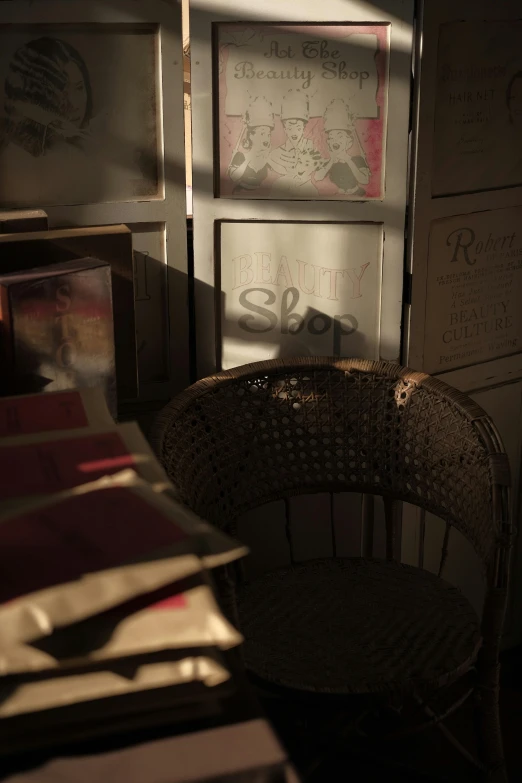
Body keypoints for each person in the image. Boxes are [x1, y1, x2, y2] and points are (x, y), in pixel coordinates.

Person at [0, 36, 92, 158]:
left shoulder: (81, 155)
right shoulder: (15, 156)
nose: (74, 104)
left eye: (79, 88)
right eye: (60, 91)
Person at [315, 99, 370, 196]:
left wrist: (349, 161)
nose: (335, 141)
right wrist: (331, 160)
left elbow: (364, 180)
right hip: (339, 198)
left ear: (349, 142)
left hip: (357, 195)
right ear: (329, 142)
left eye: (340, 136)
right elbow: (318, 177)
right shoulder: (330, 162)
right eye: (332, 137)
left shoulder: (357, 159)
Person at [228, 96, 279, 193]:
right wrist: (248, 160)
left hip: (261, 199)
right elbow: (233, 177)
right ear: (251, 135)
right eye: (262, 133)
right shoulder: (241, 156)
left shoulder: (267, 157)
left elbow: (280, 172)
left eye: (268, 134)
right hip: (241, 196)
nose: (266, 139)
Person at [269, 89, 319, 180]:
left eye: (298, 128)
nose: (294, 132)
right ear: (285, 129)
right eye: (290, 128)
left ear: (304, 128)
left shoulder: (310, 146)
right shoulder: (277, 153)